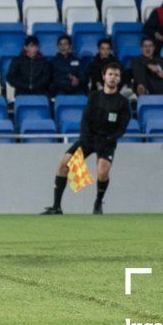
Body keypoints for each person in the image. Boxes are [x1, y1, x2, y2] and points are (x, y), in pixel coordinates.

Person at [42, 62, 129, 215]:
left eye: (116, 75)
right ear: (104, 77)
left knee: (102, 172)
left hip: (107, 142)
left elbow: (122, 127)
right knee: (64, 164)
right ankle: (56, 207)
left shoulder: (123, 102)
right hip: (89, 139)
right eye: (110, 74)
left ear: (120, 78)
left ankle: (98, 201)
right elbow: (85, 118)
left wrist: (111, 138)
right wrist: (84, 137)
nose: (113, 77)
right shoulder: (94, 96)